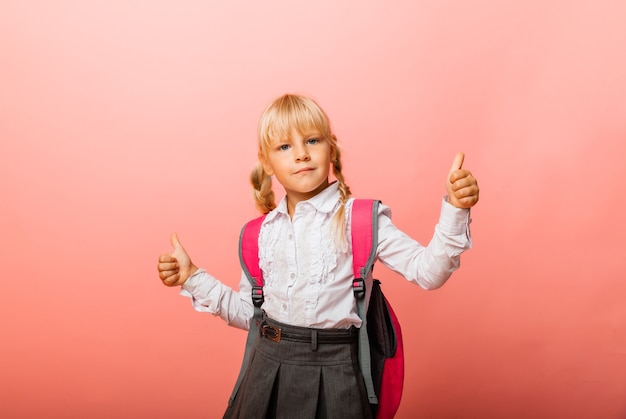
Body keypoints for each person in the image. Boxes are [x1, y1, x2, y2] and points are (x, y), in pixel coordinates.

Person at [157, 93, 479, 418]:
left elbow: (430, 272)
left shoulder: (363, 219)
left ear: (331, 149)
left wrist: (456, 208)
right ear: (266, 162)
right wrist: (192, 277)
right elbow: (249, 315)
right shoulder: (258, 234)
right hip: (265, 373)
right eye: (284, 146)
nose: (301, 154)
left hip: (337, 376)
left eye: (312, 140)